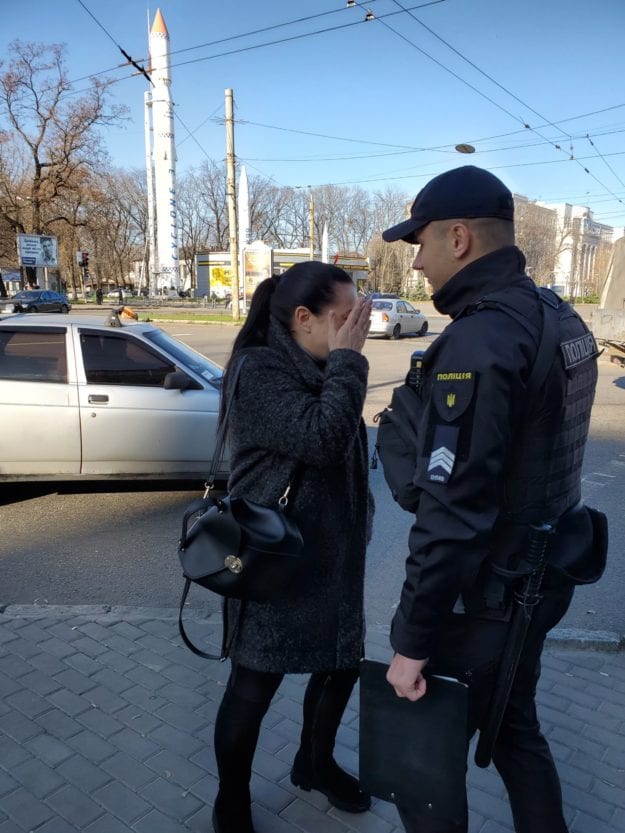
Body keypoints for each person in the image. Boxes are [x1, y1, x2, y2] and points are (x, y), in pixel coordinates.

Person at [381, 166, 604, 833]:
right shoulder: (552, 313)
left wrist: (410, 640)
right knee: (512, 727)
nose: (414, 260)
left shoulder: (478, 340)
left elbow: (450, 512)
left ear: (457, 238)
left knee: (421, 763)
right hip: (536, 576)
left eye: (417, 242)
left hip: (486, 592)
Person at [212, 261, 373, 833]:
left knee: (341, 666)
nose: (357, 327)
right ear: (303, 318)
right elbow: (324, 438)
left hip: (333, 559)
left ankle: (314, 762)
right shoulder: (260, 369)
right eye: (345, 316)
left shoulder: (320, 362)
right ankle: (231, 799)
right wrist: (351, 365)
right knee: (254, 685)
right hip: (272, 562)